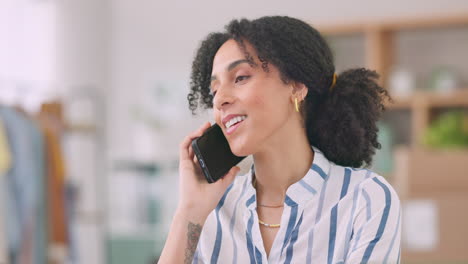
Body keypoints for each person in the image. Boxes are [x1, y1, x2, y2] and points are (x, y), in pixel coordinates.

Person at [158, 16, 401, 264]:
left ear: (296, 86)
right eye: (214, 91)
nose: (220, 100)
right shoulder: (211, 212)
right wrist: (190, 211)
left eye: (240, 78)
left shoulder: (365, 198)